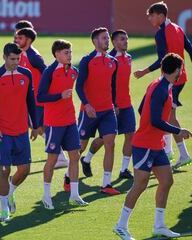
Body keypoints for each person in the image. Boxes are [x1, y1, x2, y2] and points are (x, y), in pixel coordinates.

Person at [114, 53, 191, 240]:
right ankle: (121, 226)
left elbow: (142, 109)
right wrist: (177, 130)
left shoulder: (161, 85)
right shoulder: (161, 89)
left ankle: (159, 225)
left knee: (166, 181)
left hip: (156, 144)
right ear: (177, 70)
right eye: (181, 68)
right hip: (145, 145)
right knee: (140, 185)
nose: (182, 72)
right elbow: (156, 120)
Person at [0, 42, 38, 222]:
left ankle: (11, 192)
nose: (16, 62)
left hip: (21, 130)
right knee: (4, 170)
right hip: (3, 132)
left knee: (25, 170)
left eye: (18, 59)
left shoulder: (26, 74)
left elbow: (30, 101)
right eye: (12, 59)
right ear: (4, 57)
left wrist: (35, 125)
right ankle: (4, 209)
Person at [134, 1, 192, 169]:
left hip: (170, 79)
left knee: (167, 116)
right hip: (180, 77)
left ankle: (181, 153)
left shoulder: (161, 33)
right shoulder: (178, 28)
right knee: (167, 114)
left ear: (160, 15)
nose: (150, 19)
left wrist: (144, 71)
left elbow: (162, 60)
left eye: (151, 16)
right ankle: (170, 151)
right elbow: (190, 48)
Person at [64, 27, 120, 195]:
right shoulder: (87, 60)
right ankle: (68, 176)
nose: (107, 41)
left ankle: (106, 184)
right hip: (88, 112)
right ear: (95, 41)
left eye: (108, 38)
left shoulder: (113, 62)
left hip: (108, 111)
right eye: (104, 38)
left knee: (110, 143)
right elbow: (79, 86)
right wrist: (87, 105)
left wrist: (115, 104)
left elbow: (113, 86)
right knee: (79, 147)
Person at [37, 39, 88, 210]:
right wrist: (60, 95)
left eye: (71, 52)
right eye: (66, 53)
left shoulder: (74, 71)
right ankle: (46, 196)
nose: (70, 55)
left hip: (70, 121)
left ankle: (74, 195)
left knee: (75, 156)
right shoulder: (49, 72)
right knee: (52, 160)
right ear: (57, 54)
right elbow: (40, 97)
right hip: (53, 123)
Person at [79, 30, 135, 180]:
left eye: (127, 39)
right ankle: (86, 159)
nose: (126, 42)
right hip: (108, 107)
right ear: (115, 42)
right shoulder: (103, 59)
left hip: (125, 105)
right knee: (104, 139)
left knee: (130, 135)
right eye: (122, 39)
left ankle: (123, 170)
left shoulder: (128, 58)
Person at [15, 28, 69, 169]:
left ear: (28, 40)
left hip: (37, 100)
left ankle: (61, 157)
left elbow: (47, 73)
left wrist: (47, 93)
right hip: (30, 99)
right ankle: (61, 157)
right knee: (37, 127)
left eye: (20, 38)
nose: (17, 40)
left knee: (38, 128)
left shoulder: (34, 57)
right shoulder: (24, 54)